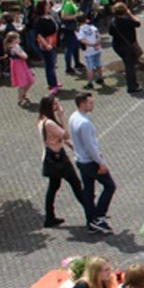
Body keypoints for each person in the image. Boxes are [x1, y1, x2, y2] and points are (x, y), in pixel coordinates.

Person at [68, 91, 115, 233]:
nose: (92, 104)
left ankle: (90, 222)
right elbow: (90, 147)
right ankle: (98, 217)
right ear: (82, 103)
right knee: (109, 186)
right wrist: (101, 162)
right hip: (90, 162)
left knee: (88, 190)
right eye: (90, 102)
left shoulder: (73, 117)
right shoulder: (85, 123)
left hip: (80, 161)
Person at [38, 95, 84, 228]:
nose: (57, 107)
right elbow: (65, 135)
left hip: (50, 157)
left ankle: (49, 216)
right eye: (54, 105)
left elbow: (58, 138)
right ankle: (91, 210)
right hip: (58, 159)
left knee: (53, 187)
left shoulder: (41, 120)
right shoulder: (50, 123)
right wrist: (61, 116)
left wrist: (71, 146)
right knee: (75, 183)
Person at [108, 3, 143, 93]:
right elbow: (138, 23)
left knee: (129, 64)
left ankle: (134, 83)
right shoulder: (127, 21)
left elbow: (110, 33)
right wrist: (130, 14)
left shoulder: (113, 22)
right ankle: (132, 87)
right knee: (129, 66)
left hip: (117, 46)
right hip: (127, 46)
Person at [32, 0, 61, 94]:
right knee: (49, 65)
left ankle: (54, 81)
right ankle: (52, 84)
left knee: (52, 63)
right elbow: (39, 35)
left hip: (53, 41)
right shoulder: (39, 20)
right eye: (48, 4)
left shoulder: (48, 16)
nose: (49, 6)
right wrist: (46, 45)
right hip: (47, 44)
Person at [76, 13, 104, 90]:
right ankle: (100, 78)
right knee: (98, 63)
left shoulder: (79, 30)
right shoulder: (92, 27)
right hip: (97, 49)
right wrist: (97, 43)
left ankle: (90, 83)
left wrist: (91, 44)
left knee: (90, 67)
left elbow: (82, 40)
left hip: (89, 51)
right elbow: (98, 35)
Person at [6, 31, 34, 106]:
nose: (19, 39)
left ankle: (23, 94)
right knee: (22, 83)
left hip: (22, 64)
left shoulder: (17, 46)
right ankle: (20, 99)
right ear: (13, 39)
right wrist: (23, 55)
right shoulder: (13, 49)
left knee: (30, 81)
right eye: (18, 38)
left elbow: (24, 55)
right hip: (18, 66)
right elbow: (24, 56)